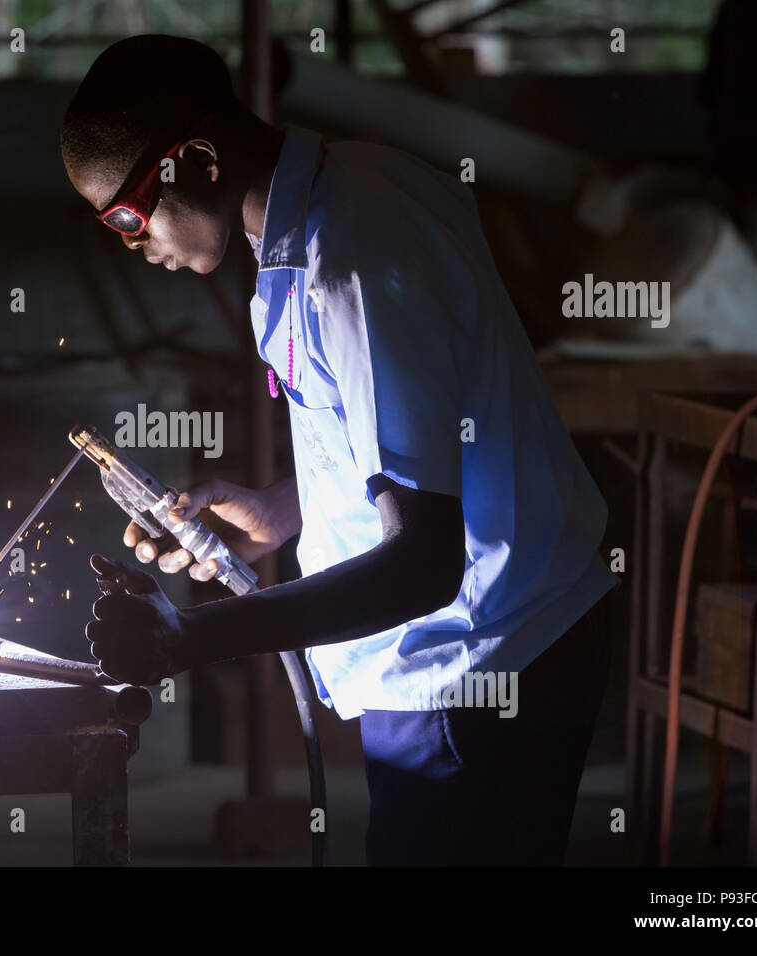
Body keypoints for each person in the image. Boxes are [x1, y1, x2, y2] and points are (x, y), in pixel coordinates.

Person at [62, 35, 617, 865]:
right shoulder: (344, 192)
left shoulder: (348, 259)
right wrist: (287, 510)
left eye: (128, 216)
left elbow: (426, 560)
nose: (132, 244)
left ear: (199, 159)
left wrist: (187, 639)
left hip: (475, 655)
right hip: (491, 634)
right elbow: (421, 430)